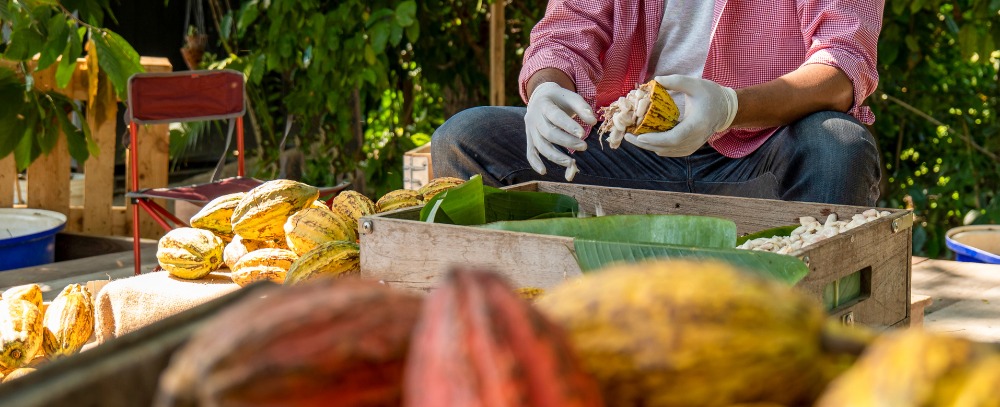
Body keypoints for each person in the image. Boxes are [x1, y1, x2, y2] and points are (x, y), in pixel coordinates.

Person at [431, 0, 884, 206]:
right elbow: (567, 30)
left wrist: (728, 107)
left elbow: (843, 64)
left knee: (837, 147)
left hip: (759, 158)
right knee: (464, 140)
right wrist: (548, 88)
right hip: (628, 152)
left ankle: (801, 344)